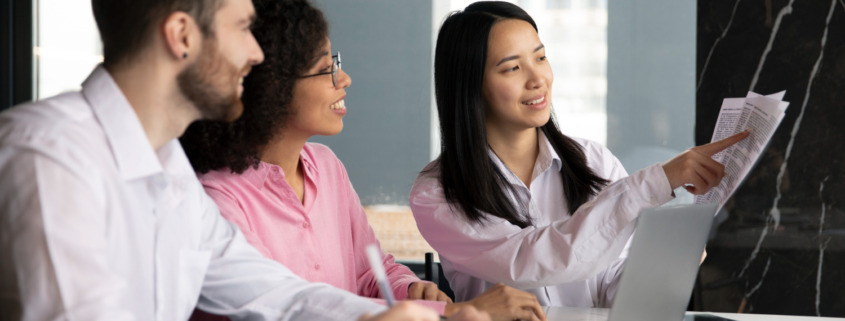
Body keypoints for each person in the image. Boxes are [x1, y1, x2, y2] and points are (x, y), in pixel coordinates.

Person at [0, 0, 486, 320]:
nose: (255, 54)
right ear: (181, 35)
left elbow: (271, 292)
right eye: (240, 27)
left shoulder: (167, 166)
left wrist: (380, 315)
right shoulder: (50, 156)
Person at [179, 1, 544, 320]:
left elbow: (372, 272)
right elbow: (281, 309)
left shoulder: (326, 166)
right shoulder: (219, 198)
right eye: (327, 69)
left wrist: (413, 290)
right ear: (272, 88)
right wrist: (448, 313)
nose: (345, 78)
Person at [409, 1, 749, 308]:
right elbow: (533, 262)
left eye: (540, 57)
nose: (537, 78)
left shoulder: (592, 160)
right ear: (471, 85)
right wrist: (657, 180)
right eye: (512, 68)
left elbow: (614, 290)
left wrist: (668, 261)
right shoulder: (438, 192)